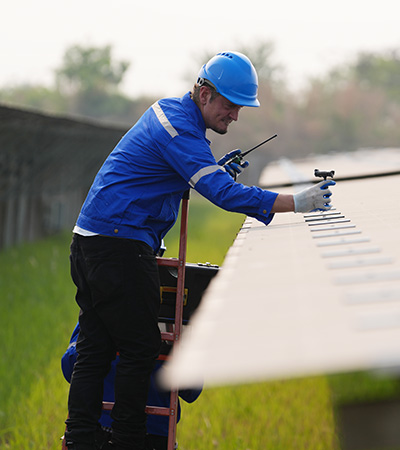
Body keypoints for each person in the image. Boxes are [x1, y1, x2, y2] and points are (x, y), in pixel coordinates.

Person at [64, 51, 335, 450]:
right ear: (204, 94)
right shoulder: (179, 130)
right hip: (120, 247)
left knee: (95, 345)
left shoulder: (172, 117)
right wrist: (296, 202)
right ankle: (127, 440)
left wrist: (210, 171)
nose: (235, 116)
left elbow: (175, 176)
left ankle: (80, 439)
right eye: (230, 105)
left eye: (240, 108)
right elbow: (220, 193)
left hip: (91, 242)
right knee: (141, 346)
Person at [62, 323, 202, 450]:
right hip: (156, 433)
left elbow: (70, 366)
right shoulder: (181, 315)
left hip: (98, 425)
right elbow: (192, 391)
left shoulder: (102, 300)